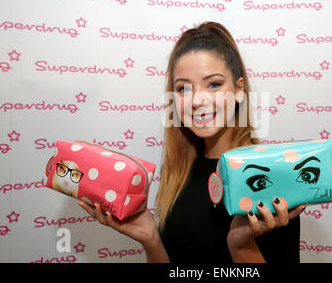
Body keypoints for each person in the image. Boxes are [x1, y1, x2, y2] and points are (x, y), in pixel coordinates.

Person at [79, 21, 305, 263]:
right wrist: (151, 239)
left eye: (214, 84)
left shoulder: (271, 175)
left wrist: (241, 246)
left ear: (239, 89)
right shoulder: (177, 174)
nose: (197, 100)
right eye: (183, 89)